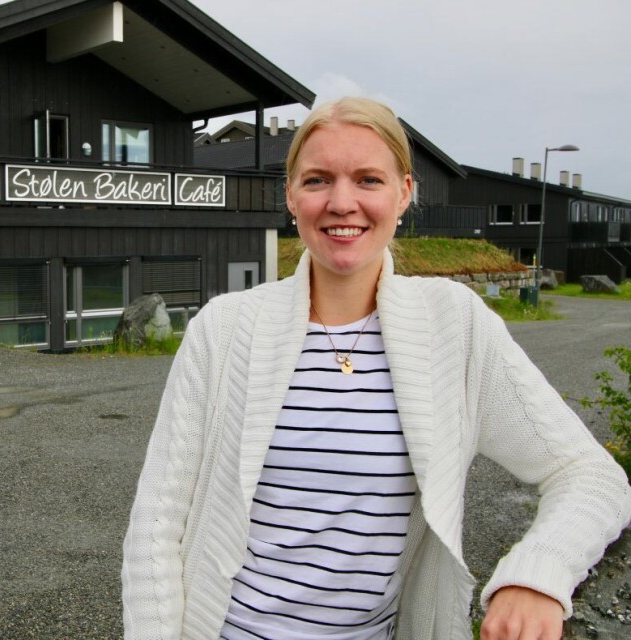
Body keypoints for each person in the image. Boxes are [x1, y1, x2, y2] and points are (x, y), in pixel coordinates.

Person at [121, 97, 631, 640]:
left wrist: (537, 574)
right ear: (290, 195)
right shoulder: (224, 330)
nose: (343, 203)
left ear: (404, 192)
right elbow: (157, 523)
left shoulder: (454, 327)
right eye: (318, 180)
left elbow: (589, 475)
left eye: (368, 180)